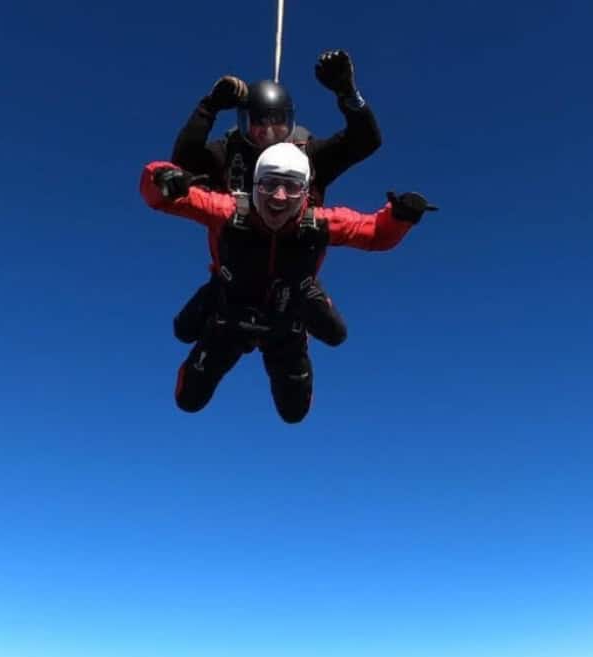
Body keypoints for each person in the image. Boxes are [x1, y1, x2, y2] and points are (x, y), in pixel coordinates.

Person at [139, 142, 437, 423]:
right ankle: (210, 312)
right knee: (188, 399)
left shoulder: (320, 222)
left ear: (306, 191)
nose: (279, 196)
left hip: (286, 319)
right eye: (269, 183)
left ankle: (294, 328)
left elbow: (374, 233)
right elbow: (164, 196)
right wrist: (164, 177)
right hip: (229, 315)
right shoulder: (228, 211)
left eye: (292, 186)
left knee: (295, 410)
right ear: (255, 185)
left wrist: (399, 218)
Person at [170, 50, 382, 345]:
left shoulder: (308, 155)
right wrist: (210, 106)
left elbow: (365, 142)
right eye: (258, 123)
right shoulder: (230, 153)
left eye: (277, 122)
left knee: (335, 335)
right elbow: (184, 160)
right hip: (233, 271)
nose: (268, 132)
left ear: (290, 122)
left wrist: (347, 93)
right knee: (184, 331)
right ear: (244, 123)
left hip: (295, 275)